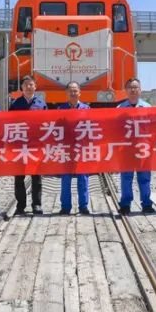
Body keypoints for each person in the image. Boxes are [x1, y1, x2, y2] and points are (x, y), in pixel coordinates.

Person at [10, 75, 46, 215]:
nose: (29, 87)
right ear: (22, 88)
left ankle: (36, 205)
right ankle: (20, 205)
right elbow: (10, 125)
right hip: (20, 146)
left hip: (36, 146)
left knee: (36, 177)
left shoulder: (41, 104)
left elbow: (46, 124)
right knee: (19, 176)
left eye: (31, 85)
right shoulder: (15, 104)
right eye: (26, 85)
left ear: (35, 87)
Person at [118, 77, 154, 214]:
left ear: (140, 90)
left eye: (136, 87)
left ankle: (146, 203)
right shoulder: (119, 109)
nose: (133, 90)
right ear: (126, 91)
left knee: (144, 177)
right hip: (126, 149)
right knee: (126, 178)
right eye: (130, 88)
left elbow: (153, 128)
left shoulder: (147, 108)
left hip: (143, 148)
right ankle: (125, 204)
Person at [59, 81, 91, 215]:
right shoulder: (60, 110)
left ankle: (83, 206)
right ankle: (65, 207)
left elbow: (91, 128)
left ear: (79, 92)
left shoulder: (87, 109)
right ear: (66, 93)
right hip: (66, 149)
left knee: (83, 178)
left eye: (75, 90)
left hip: (81, 148)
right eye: (70, 90)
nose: (73, 93)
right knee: (65, 178)